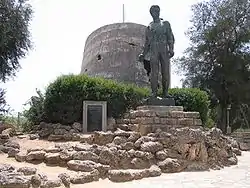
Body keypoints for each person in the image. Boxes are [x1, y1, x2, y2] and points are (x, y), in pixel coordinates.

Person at [139, 5, 175, 98]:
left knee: (165, 71)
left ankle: (165, 93)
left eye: (157, 11)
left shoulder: (165, 23)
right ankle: (154, 93)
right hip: (154, 49)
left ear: (159, 12)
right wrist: (143, 53)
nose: (155, 13)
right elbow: (147, 42)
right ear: (151, 13)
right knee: (154, 72)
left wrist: (171, 48)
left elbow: (170, 37)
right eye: (153, 11)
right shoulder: (149, 26)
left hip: (164, 48)